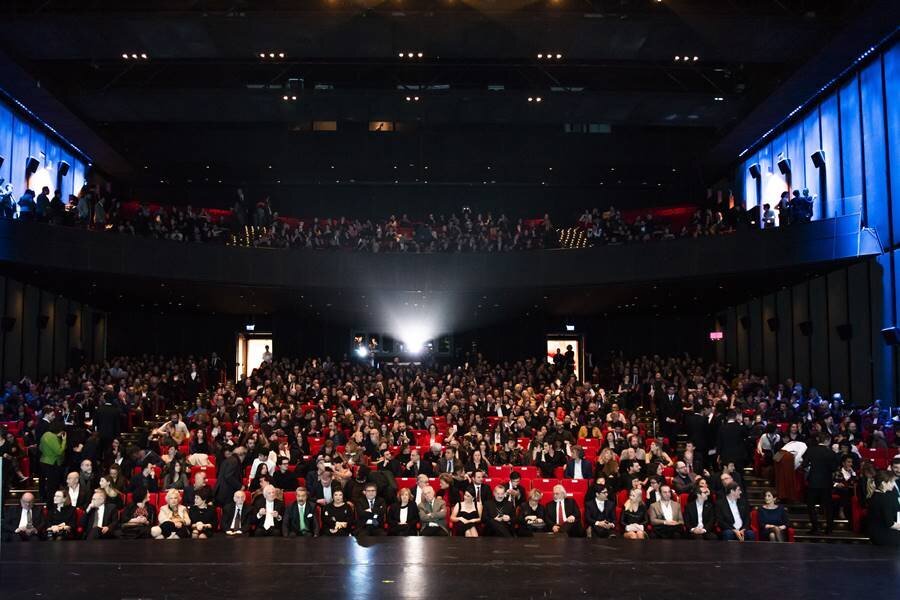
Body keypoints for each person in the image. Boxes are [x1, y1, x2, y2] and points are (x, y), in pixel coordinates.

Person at [803, 433, 840, 534]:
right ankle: (829, 528)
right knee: (828, 506)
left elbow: (804, 464)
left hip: (813, 482)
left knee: (811, 505)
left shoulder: (811, 450)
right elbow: (834, 468)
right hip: (826, 483)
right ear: (827, 440)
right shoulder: (831, 453)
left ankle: (815, 527)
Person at [867, 471, 900, 547]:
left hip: (874, 533)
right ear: (883, 483)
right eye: (891, 482)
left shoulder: (875, 495)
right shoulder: (885, 498)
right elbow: (890, 523)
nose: (893, 485)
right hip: (884, 535)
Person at [38, 420, 66, 500]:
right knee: (52, 485)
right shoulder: (52, 436)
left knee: (45, 483)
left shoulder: (45, 435)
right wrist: (64, 440)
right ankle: (51, 502)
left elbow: (40, 447)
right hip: (51, 463)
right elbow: (59, 451)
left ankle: (44, 497)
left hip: (44, 460)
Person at [833, 454, 857, 522]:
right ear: (843, 463)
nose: (850, 464)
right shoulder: (838, 471)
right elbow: (831, 481)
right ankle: (841, 510)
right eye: (848, 462)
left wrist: (852, 474)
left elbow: (854, 482)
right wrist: (836, 484)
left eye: (851, 462)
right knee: (844, 491)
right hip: (838, 489)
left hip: (849, 489)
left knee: (848, 491)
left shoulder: (852, 472)